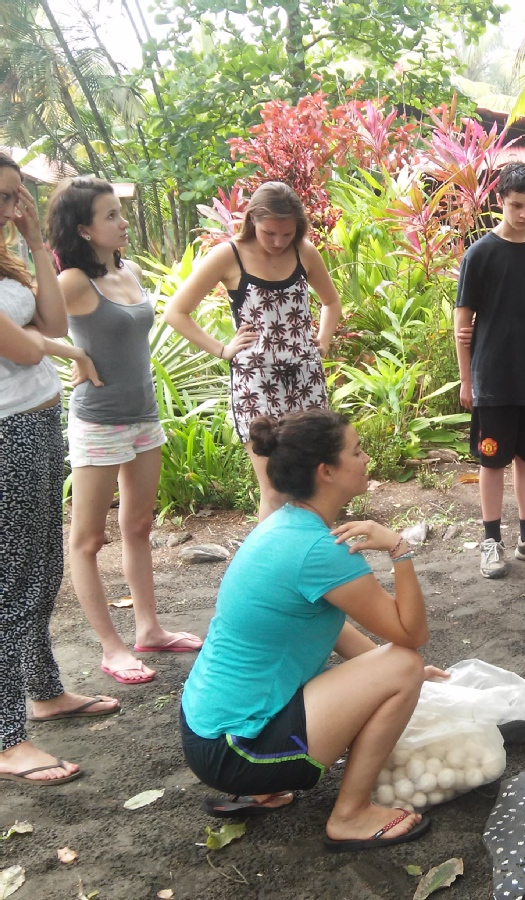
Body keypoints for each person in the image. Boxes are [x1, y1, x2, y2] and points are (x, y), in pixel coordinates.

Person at [180, 408, 440, 851]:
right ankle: (351, 815)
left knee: (397, 668)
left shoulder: (283, 525)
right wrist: (399, 548)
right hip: (238, 748)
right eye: (356, 451)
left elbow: (323, 625)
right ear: (327, 472)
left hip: (207, 733)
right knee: (406, 662)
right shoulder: (319, 549)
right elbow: (409, 635)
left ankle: (267, 785)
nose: (366, 458)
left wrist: (378, 676)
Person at [45, 177, 201, 687]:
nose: (123, 222)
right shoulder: (71, 281)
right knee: (88, 539)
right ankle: (111, 646)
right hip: (97, 421)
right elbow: (27, 329)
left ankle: (148, 629)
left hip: (143, 417)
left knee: (138, 527)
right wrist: (73, 354)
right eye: (110, 216)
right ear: (83, 228)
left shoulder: (128, 270)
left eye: (119, 213)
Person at [0, 153, 119, 787]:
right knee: (14, 580)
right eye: (3, 198)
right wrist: (63, 348)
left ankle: (44, 691)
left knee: (41, 567)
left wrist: (30, 242)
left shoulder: (10, 257)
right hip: (6, 434)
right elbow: (24, 347)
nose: (12, 207)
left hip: (38, 422)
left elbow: (48, 320)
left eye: (18, 196)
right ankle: (5, 734)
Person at [164, 181, 342, 521]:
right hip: (255, 383)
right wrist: (222, 350)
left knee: (314, 482)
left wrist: (323, 339)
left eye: (287, 234)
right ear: (251, 221)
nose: (278, 242)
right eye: (269, 233)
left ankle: (316, 565)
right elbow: (176, 312)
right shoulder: (227, 255)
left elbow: (331, 302)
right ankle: (273, 571)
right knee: (275, 488)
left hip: (306, 379)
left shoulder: (304, 251)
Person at [454, 162, 525, 578]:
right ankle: (491, 541)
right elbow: (462, 323)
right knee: (491, 462)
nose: (524, 214)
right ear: (500, 201)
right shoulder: (480, 254)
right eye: (516, 206)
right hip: (493, 378)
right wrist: (468, 379)